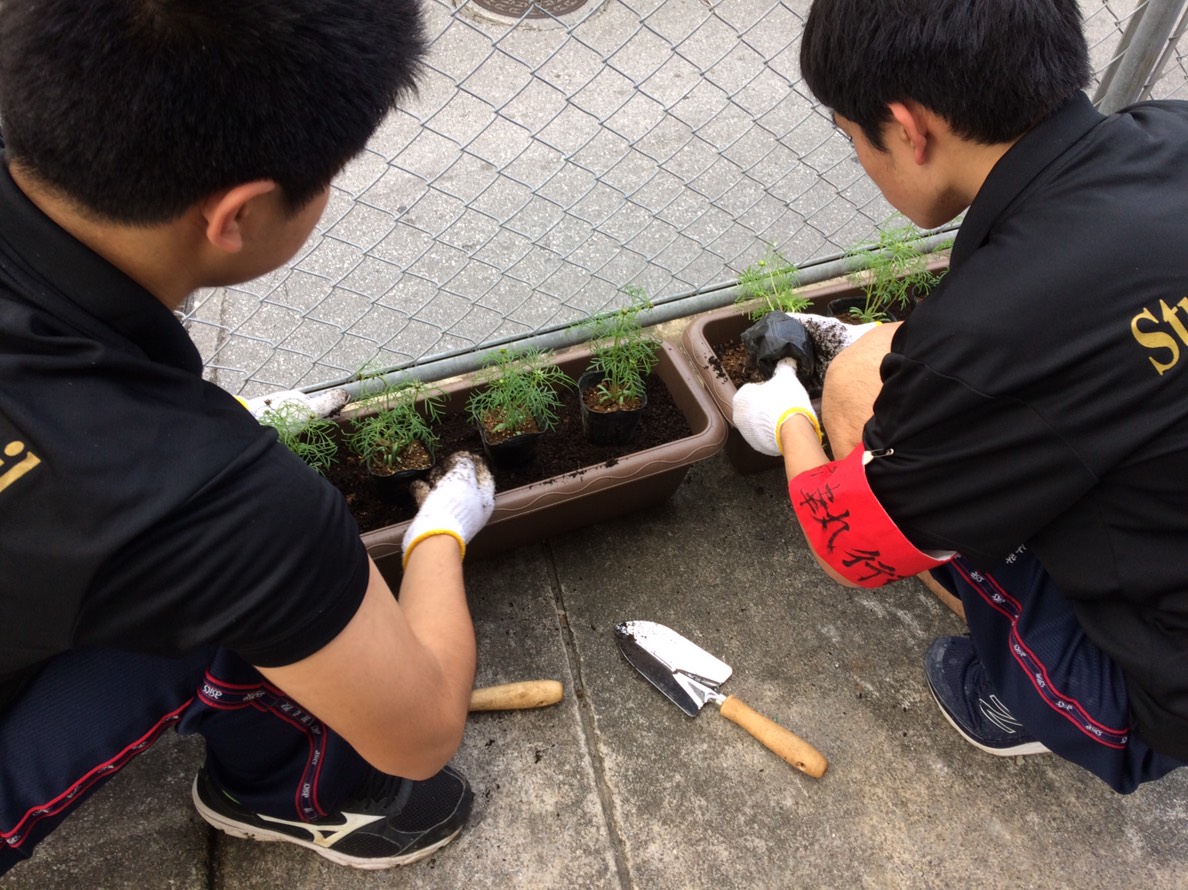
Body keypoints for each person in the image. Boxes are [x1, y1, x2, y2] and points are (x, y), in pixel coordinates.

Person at [0, 0, 497, 873]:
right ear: (238, 214)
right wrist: (439, 539)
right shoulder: (217, 508)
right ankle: (301, 795)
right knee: (242, 604)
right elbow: (421, 732)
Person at [732, 0, 1187, 793]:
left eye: (852, 141)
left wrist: (793, 417)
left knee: (866, 405)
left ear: (909, 129)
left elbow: (850, 549)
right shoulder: (1173, 135)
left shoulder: (987, 336)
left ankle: (1027, 702)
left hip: (1162, 694)